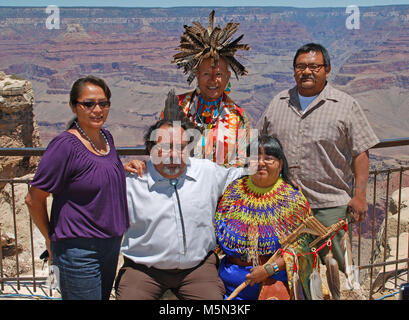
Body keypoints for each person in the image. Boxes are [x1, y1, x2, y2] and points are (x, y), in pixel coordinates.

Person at [257, 43, 380, 272]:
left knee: (337, 271)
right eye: (301, 66)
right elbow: (259, 146)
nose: (306, 72)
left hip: (329, 206)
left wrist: (360, 196)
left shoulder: (346, 105)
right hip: (285, 205)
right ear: (294, 70)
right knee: (291, 272)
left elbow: (360, 153)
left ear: (328, 70)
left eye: (314, 66)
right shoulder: (278, 103)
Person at [115, 91, 245, 300]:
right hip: (143, 270)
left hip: (197, 269)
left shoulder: (206, 172)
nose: (174, 156)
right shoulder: (132, 181)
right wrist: (114, 168)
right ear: (150, 149)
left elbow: (243, 176)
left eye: (181, 148)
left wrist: (273, 163)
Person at [25, 76, 129, 300]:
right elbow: (33, 199)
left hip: (109, 245)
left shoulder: (106, 138)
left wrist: (124, 168)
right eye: (89, 104)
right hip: (79, 250)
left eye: (103, 103)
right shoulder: (64, 146)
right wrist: (51, 238)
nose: (97, 109)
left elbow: (96, 173)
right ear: (74, 106)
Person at [215, 135, 314, 300]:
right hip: (231, 279)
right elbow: (218, 228)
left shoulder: (293, 200)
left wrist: (267, 270)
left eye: (268, 158)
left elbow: (302, 249)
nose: (260, 163)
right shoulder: (234, 191)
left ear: (280, 164)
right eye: (255, 158)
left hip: (272, 282)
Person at [170, 10, 251, 166]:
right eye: (206, 73)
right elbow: (160, 147)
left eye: (219, 74)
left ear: (227, 77)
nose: (213, 80)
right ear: (197, 74)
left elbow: (243, 161)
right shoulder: (176, 107)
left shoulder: (239, 117)